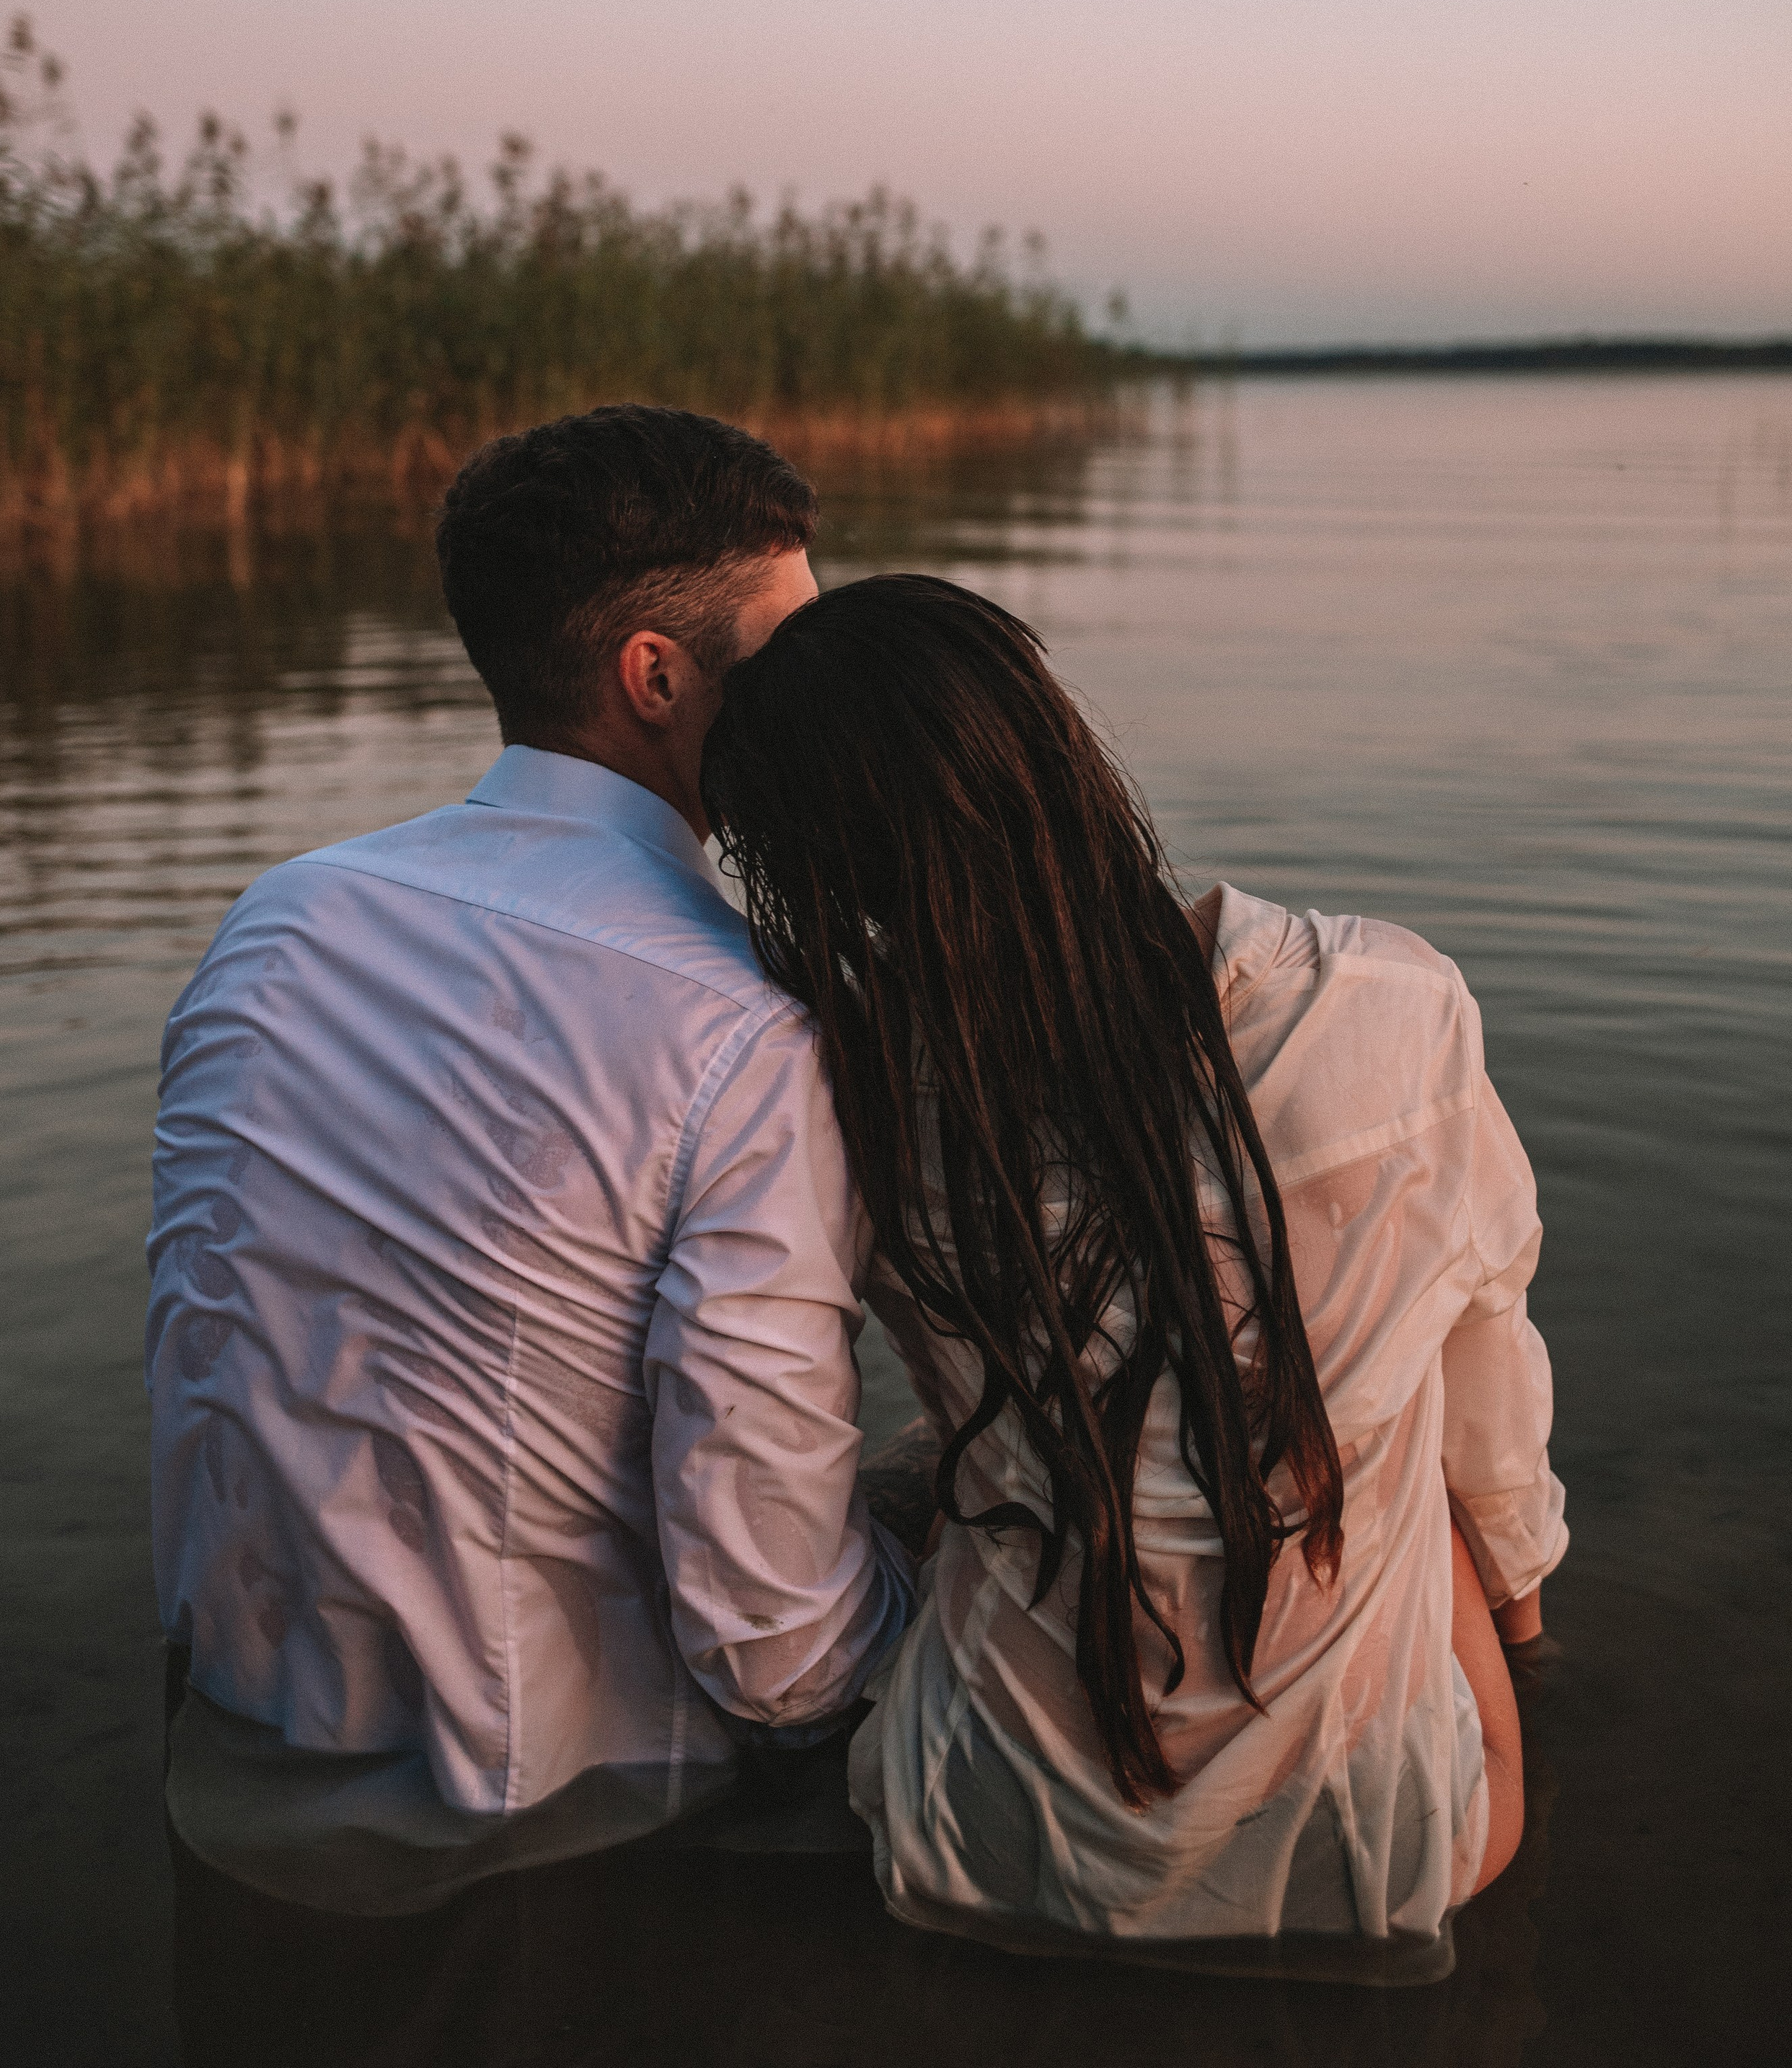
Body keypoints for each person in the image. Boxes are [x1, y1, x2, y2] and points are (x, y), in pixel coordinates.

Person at [702, 573, 1568, 1984]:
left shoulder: (855, 1091)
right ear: (1058, 752)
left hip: (977, 1839)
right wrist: (1523, 1636)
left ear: (818, 881)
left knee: (952, 1449)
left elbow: (761, 1434)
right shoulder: (1386, 1003)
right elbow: (1493, 1424)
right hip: (1402, 1858)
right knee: (1392, 1414)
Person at [146, 407, 912, 1922]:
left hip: (242, 1746)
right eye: (790, 648)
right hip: (575, 1812)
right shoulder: (744, 1028)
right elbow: (777, 1649)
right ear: (655, 677)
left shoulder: (279, 922)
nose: (821, 687)